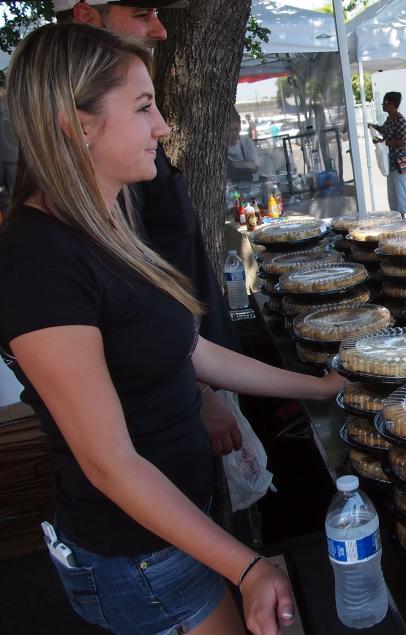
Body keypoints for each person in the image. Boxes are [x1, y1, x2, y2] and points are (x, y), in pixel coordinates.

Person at [0, 24, 349, 635]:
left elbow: (188, 349)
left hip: (184, 520)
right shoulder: (38, 262)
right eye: (142, 108)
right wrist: (246, 569)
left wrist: (319, 387)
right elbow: (109, 463)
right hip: (140, 554)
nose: (162, 126)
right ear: (75, 125)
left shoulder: (107, 221)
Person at [58, 0, 247, 461]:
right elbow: (112, 463)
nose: (161, 30)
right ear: (86, 17)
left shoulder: (122, 164)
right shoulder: (56, 241)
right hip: (170, 418)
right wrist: (198, 393)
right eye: (143, 14)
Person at [368, 91, 406, 218]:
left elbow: (401, 142)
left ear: (392, 104)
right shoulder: (390, 118)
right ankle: (400, 222)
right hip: (392, 162)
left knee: (403, 194)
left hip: (400, 162)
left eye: (385, 102)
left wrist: (383, 142)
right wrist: (374, 127)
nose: (383, 104)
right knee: (394, 195)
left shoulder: (400, 120)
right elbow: (384, 130)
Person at [227, 108, 260, 183]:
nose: (234, 133)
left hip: (247, 186)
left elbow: (255, 167)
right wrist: (246, 164)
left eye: (236, 129)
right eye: (230, 130)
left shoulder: (246, 142)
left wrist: (232, 165)